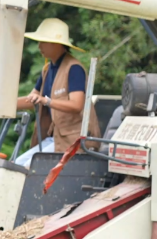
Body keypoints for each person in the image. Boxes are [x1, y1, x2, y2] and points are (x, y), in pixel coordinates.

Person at [15, 18, 100, 164]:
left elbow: (76, 105)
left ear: (57, 44)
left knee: (30, 168)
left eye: (43, 41)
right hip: (56, 139)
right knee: (17, 164)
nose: (39, 45)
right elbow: (33, 98)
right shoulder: (47, 70)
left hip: (76, 141)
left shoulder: (74, 68)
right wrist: (4, 104)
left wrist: (47, 101)